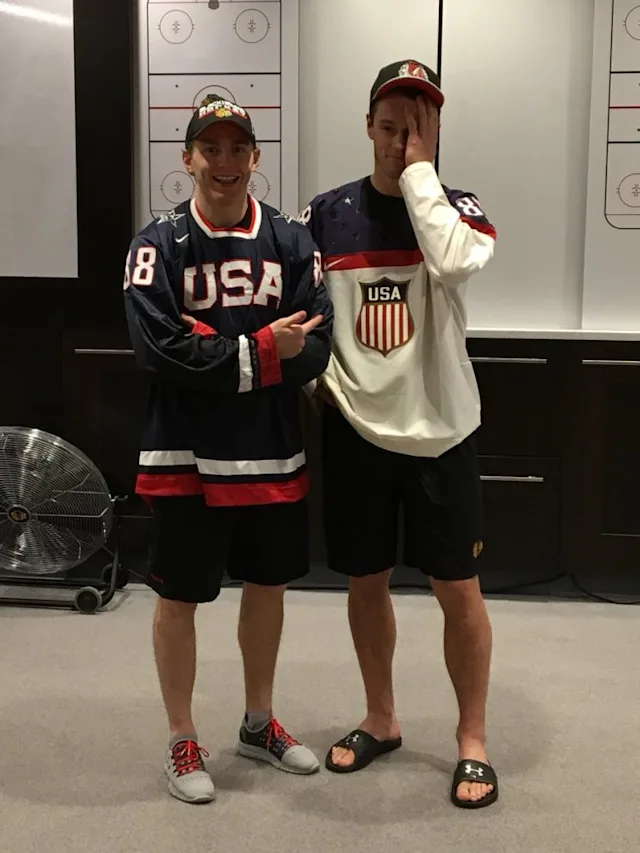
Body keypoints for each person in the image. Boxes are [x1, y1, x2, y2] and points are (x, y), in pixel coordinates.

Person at [299, 60, 498, 809]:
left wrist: (420, 175)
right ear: (367, 127)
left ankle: (472, 740)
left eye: (417, 129)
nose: (400, 142)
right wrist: (318, 383)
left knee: (458, 588)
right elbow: (305, 310)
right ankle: (381, 717)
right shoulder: (326, 214)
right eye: (389, 128)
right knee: (365, 578)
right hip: (359, 431)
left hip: (442, 431)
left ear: (436, 131)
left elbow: (451, 260)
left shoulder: (458, 209)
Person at [123, 94, 333, 804]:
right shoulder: (157, 244)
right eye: (209, 149)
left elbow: (317, 345)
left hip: (271, 452)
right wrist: (265, 348)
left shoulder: (293, 241)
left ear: (255, 157)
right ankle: (181, 735)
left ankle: (258, 720)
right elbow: (158, 350)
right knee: (179, 596)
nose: (224, 162)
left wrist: (214, 346)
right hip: (182, 455)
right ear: (187, 159)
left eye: (237, 148)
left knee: (269, 586)